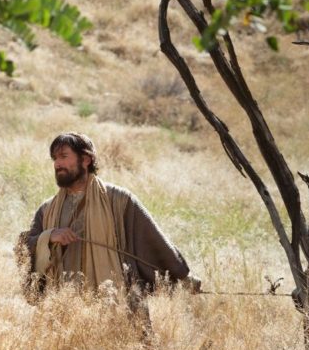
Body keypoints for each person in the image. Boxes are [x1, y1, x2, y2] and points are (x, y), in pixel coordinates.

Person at [21, 132, 198, 331]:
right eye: (54, 159)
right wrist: (49, 236)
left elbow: (151, 239)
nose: (57, 164)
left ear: (86, 159)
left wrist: (181, 276)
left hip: (116, 308)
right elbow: (24, 244)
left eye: (64, 156)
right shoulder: (47, 209)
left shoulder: (119, 200)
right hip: (65, 318)